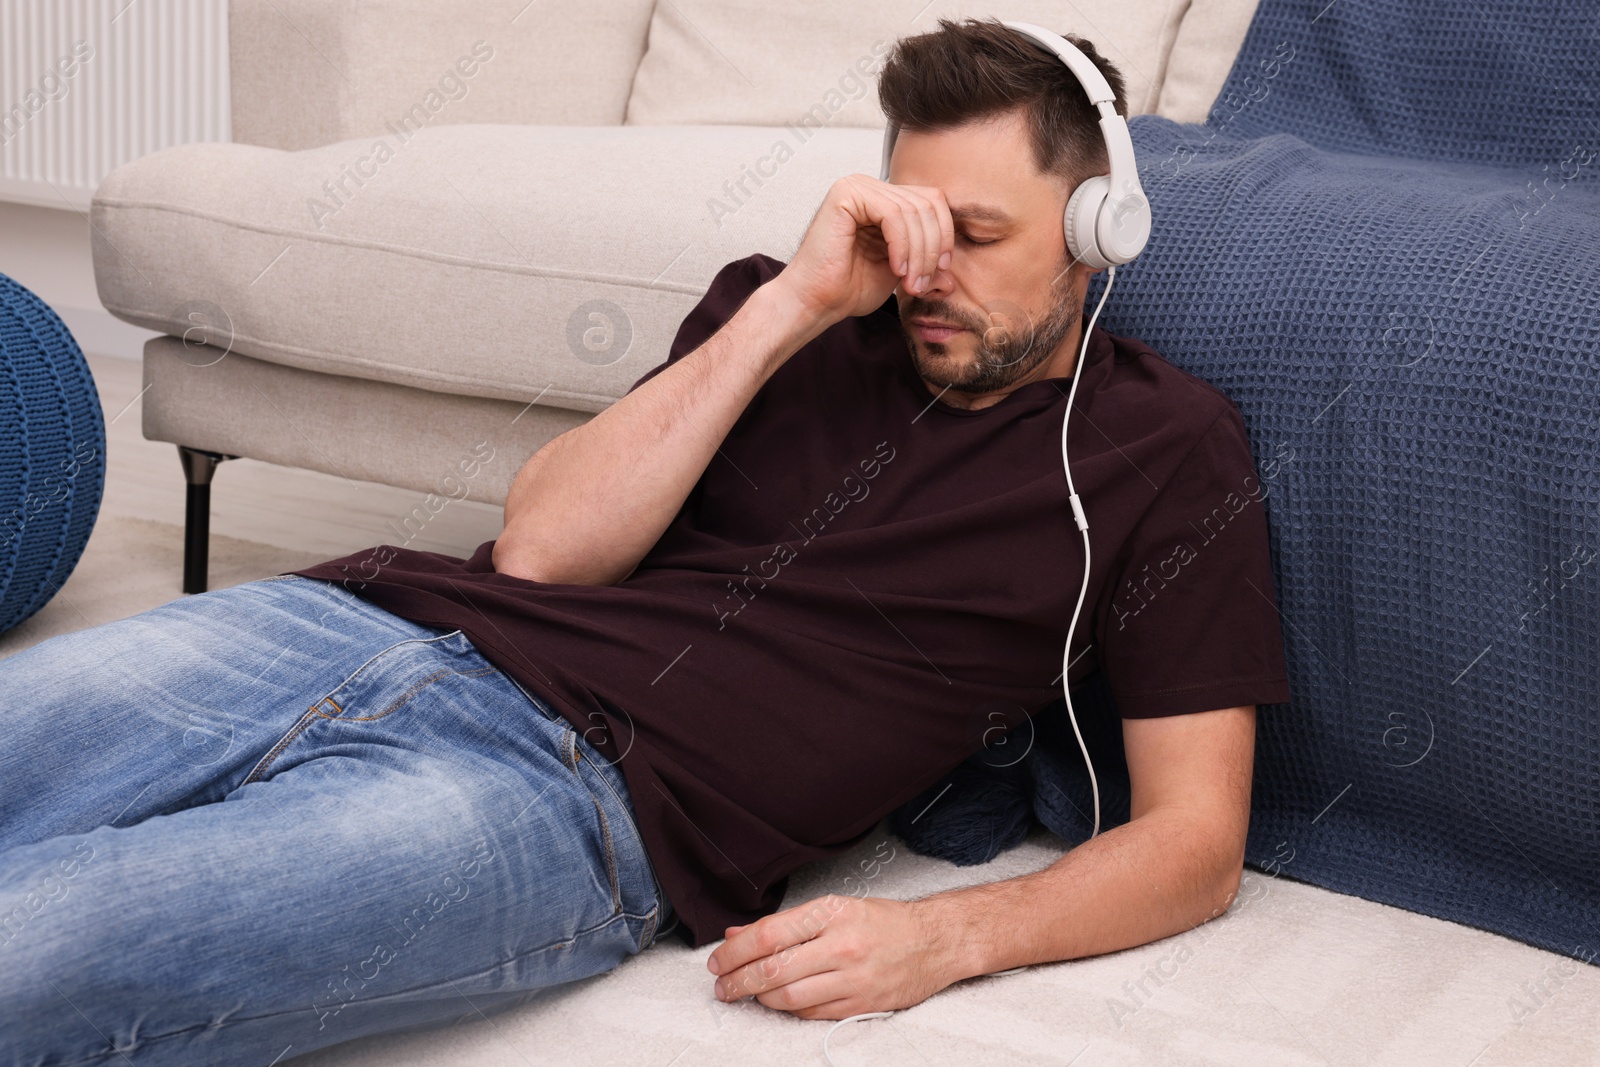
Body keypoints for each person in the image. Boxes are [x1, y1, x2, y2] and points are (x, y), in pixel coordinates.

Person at [0, 17, 1289, 1065]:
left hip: (571, 802)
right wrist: (788, 307)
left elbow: (1193, 842)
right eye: (917, 223)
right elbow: (544, 553)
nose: (930, 275)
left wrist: (945, 939)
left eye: (984, 237)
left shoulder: (1162, 452)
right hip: (357, 626)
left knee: (40, 951)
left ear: (1096, 224)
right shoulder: (778, 315)